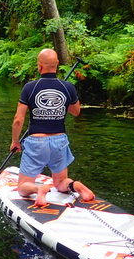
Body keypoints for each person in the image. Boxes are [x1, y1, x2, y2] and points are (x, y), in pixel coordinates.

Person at [10, 48, 94, 206]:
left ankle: (38, 189)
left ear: (39, 66)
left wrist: (15, 141)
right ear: (57, 64)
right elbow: (76, 112)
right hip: (59, 141)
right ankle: (76, 186)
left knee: (22, 187)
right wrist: (62, 103)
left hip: (36, 142)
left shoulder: (30, 87)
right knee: (61, 182)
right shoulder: (67, 87)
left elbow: (18, 119)